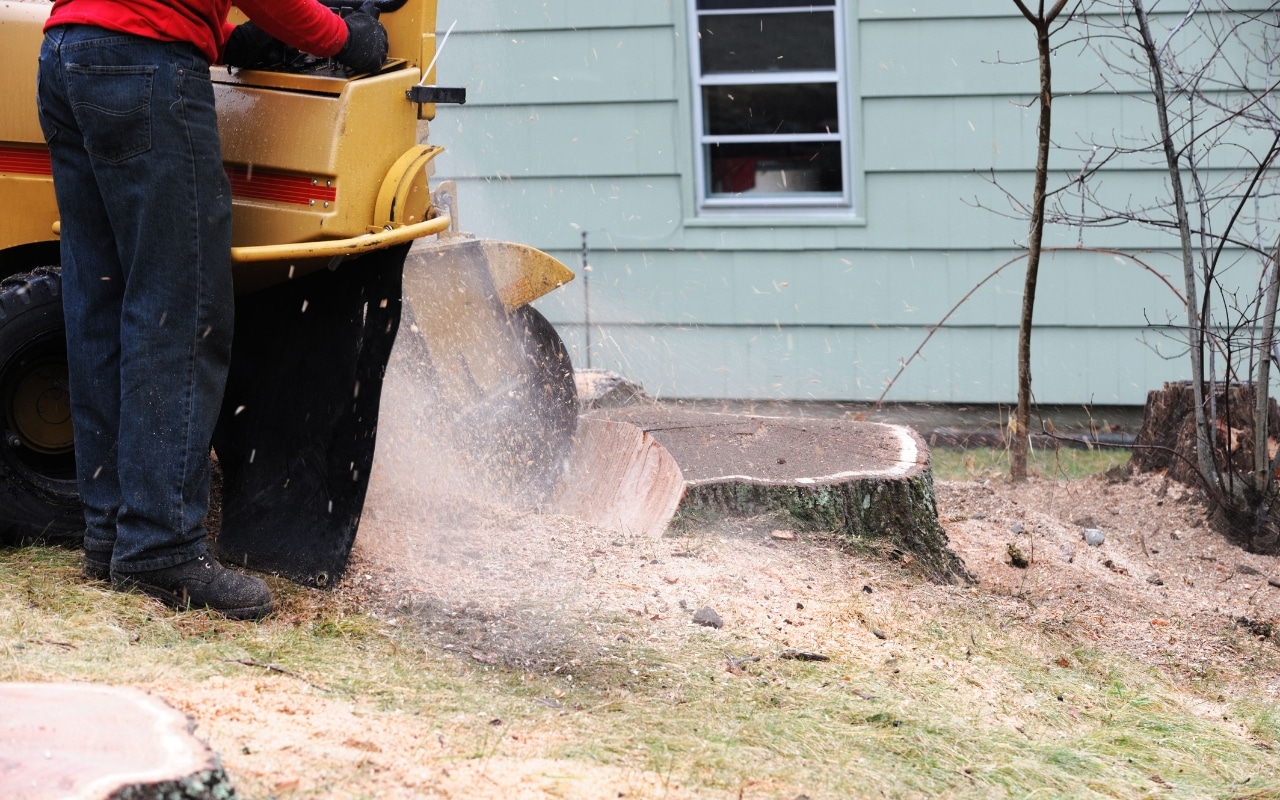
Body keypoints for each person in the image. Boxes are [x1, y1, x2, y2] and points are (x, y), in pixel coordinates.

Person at [35, 0, 387, 620]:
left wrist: (225, 37)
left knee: (101, 297)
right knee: (178, 303)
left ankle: (112, 531)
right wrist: (342, 35)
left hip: (68, 51)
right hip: (143, 65)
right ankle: (160, 545)